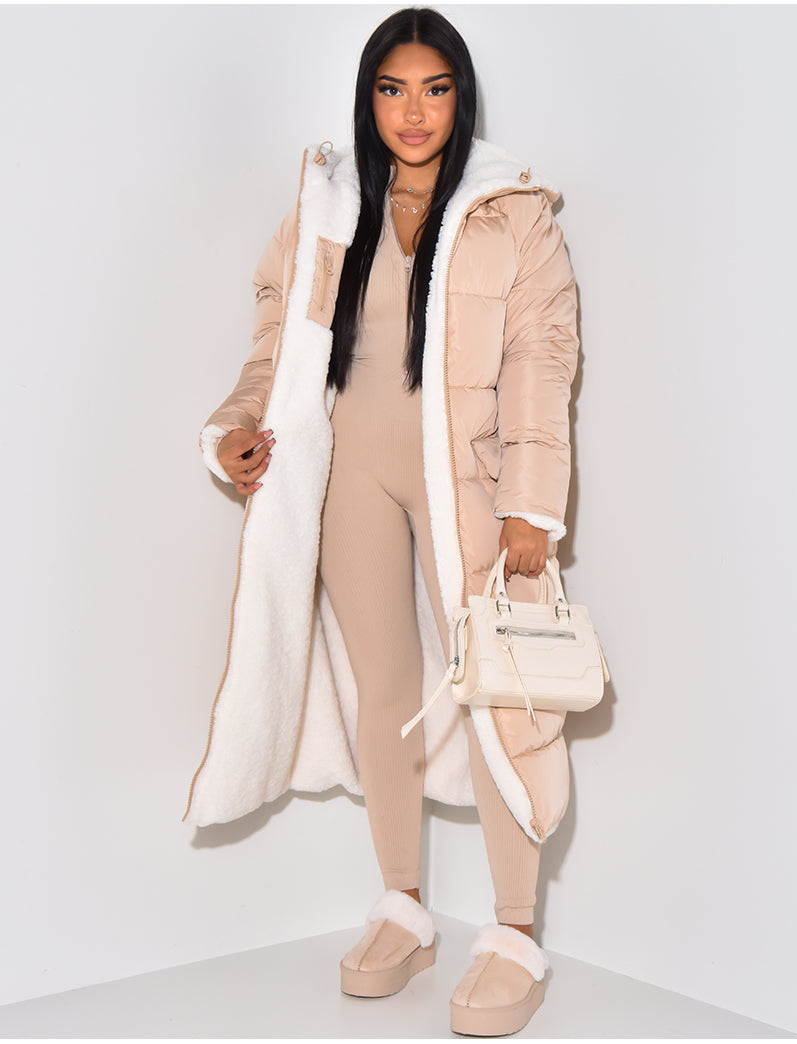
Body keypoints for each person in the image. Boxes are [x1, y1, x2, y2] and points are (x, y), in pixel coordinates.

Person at [185, 8, 578, 1036]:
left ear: (460, 97)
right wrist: (235, 427)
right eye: (392, 89)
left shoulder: (510, 214)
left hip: (468, 481)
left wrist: (531, 504)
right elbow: (276, 334)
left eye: (434, 89)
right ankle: (402, 904)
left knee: (499, 692)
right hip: (348, 472)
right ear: (368, 98)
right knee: (384, 689)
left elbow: (541, 362)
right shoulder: (326, 207)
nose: (413, 111)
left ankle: (514, 933)